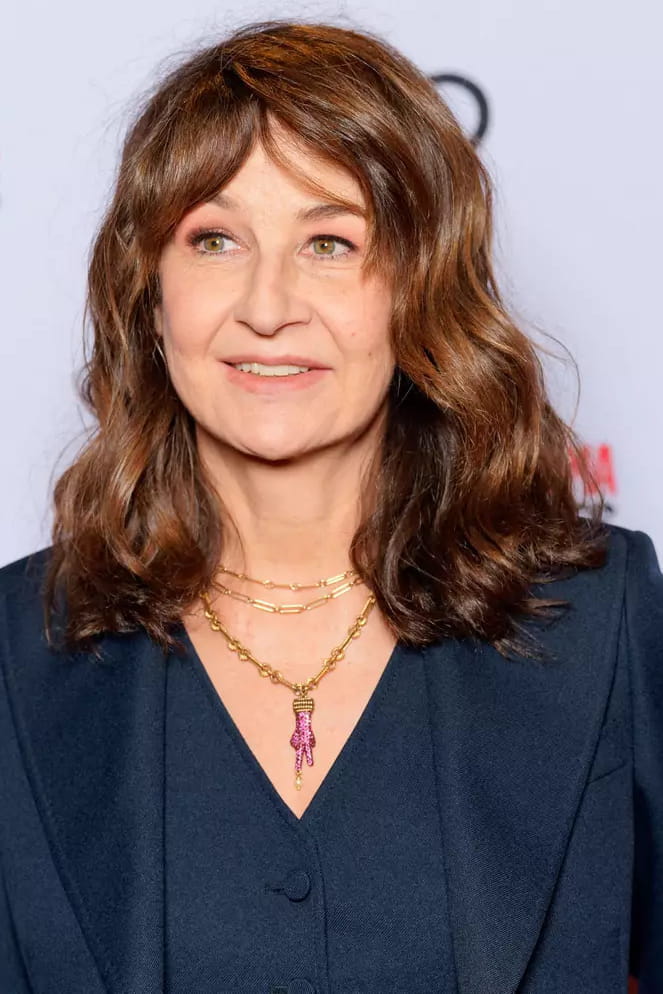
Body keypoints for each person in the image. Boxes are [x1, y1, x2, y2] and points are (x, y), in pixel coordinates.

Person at [0, 18, 660, 994]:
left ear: (420, 285)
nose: (268, 306)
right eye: (215, 239)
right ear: (150, 296)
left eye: (329, 242)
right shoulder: (18, 647)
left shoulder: (606, 617)